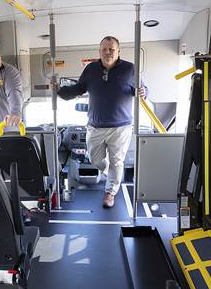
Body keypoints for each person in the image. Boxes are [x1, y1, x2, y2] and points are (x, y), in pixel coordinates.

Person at [52, 36, 146, 208]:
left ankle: (110, 193)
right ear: (99, 51)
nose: (108, 52)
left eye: (111, 49)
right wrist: (59, 91)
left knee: (117, 162)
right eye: (104, 49)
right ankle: (112, 171)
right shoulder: (91, 69)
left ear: (118, 52)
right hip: (95, 126)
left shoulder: (130, 69)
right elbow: (77, 89)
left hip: (121, 126)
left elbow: (142, 89)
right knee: (96, 160)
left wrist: (143, 91)